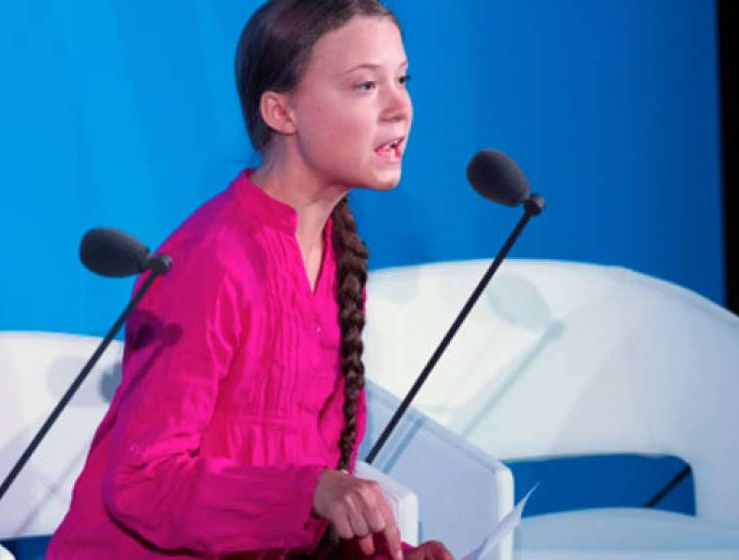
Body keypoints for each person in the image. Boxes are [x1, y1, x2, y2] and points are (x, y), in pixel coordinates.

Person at [49, 1, 452, 558]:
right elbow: (143, 485)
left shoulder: (338, 258)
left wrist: (390, 553)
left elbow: (295, 494)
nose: (400, 107)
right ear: (281, 112)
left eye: (401, 79)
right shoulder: (209, 261)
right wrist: (311, 492)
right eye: (365, 86)